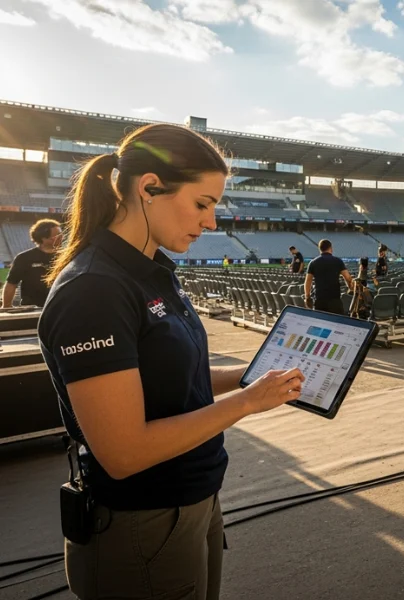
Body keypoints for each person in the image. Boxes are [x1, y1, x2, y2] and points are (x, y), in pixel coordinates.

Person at [36, 123, 305, 600]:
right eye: (202, 203)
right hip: (144, 519)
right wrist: (246, 402)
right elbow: (123, 453)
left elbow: (172, 377)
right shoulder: (95, 288)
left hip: (193, 499)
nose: (212, 223)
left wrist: (251, 379)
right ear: (149, 189)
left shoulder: (153, 270)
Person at [2, 218, 62, 308]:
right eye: (57, 235)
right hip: (33, 309)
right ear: (44, 238)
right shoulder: (24, 258)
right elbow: (11, 284)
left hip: (60, 308)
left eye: (61, 234)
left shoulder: (67, 256)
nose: (61, 237)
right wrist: (6, 307)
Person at [304, 239, 354, 315]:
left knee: (321, 322)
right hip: (335, 299)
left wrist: (307, 297)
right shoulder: (338, 261)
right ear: (331, 248)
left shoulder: (313, 262)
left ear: (319, 249)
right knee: (337, 323)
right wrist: (351, 288)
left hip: (319, 299)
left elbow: (308, 281)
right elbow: (348, 278)